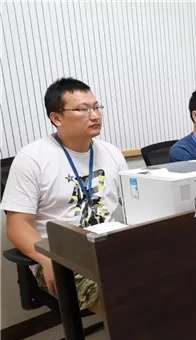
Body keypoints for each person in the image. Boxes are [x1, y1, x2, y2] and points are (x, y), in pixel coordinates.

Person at [0, 77, 128, 316]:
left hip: (108, 245)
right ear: (56, 118)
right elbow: (17, 225)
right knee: (123, 298)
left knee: (166, 272)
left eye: (96, 107)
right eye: (83, 109)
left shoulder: (111, 153)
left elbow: (131, 203)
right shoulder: (32, 158)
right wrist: (47, 259)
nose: (95, 115)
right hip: (62, 255)